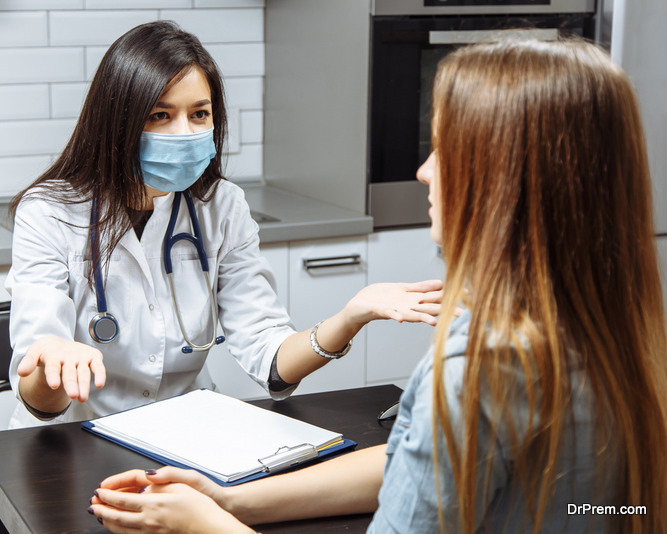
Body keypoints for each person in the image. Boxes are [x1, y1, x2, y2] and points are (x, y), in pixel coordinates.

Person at [87, 38, 667, 534]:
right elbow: (413, 462)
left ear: (511, 182)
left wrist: (203, 523)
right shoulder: (613, 332)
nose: (424, 171)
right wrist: (230, 498)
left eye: (448, 149)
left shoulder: (480, 367)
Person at [6, 20, 445, 428]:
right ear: (116, 121)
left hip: (188, 436)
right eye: (160, 115)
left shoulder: (220, 206)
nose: (185, 133)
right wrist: (52, 365)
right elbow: (40, 400)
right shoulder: (49, 212)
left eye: (199, 114)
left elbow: (271, 362)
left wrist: (351, 317)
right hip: (74, 439)